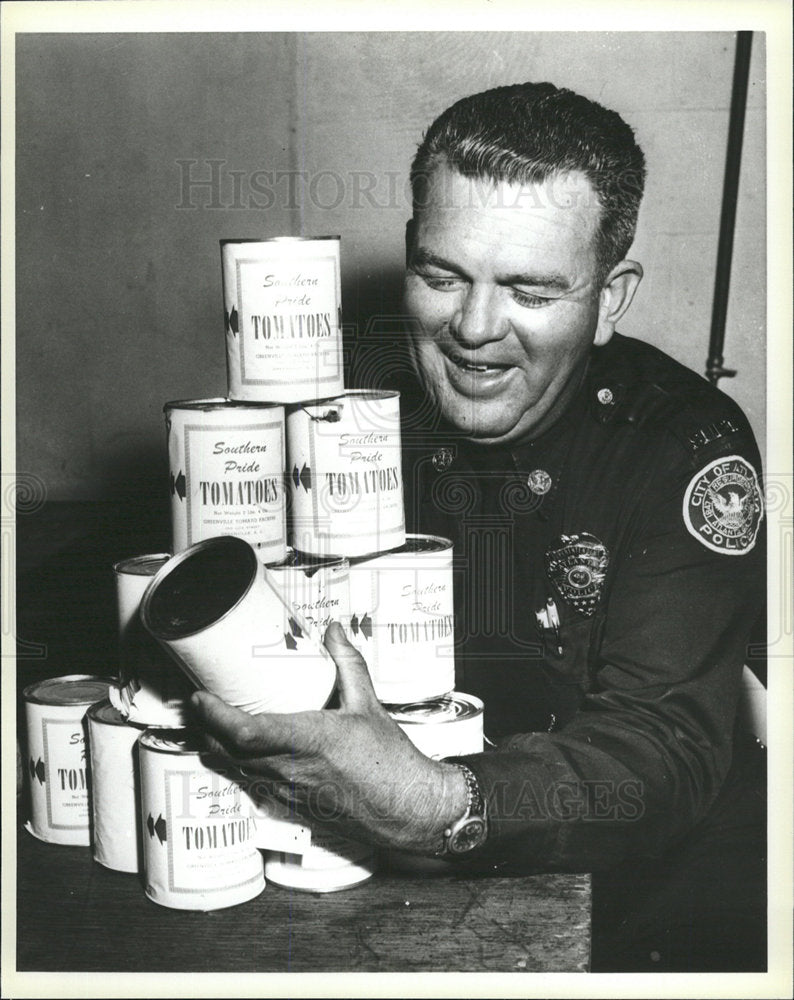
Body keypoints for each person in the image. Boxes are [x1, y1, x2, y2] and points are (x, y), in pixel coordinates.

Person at [191, 83, 766, 971]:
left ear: (610, 299)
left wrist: (434, 800)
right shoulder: (332, 408)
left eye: (530, 289)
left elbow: (665, 749)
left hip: (622, 894)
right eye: (441, 274)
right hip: (350, 875)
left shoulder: (684, 444)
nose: (473, 328)